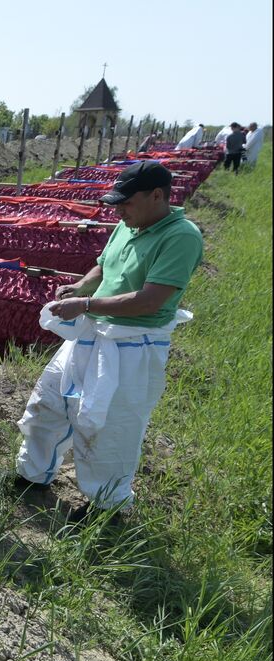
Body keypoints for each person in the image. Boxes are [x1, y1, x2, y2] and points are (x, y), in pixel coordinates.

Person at [14, 162, 203, 516]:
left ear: (157, 196)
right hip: (92, 333)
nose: (118, 211)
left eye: (126, 203)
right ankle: (32, 475)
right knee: (48, 404)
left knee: (110, 427)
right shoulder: (129, 224)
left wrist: (85, 303)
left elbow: (150, 299)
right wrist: (82, 286)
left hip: (131, 344)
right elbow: (104, 265)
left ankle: (108, 508)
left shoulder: (181, 236)